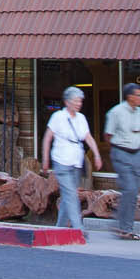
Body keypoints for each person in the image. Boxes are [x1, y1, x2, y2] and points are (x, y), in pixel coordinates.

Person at [41, 86, 101, 234]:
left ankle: (59, 229)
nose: (78, 104)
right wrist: (45, 159)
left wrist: (97, 154)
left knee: (69, 195)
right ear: (67, 102)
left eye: (80, 101)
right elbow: (47, 138)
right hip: (61, 159)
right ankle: (78, 228)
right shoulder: (58, 117)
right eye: (76, 101)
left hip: (76, 160)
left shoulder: (81, 118)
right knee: (71, 194)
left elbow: (88, 137)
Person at [104, 83, 140, 240]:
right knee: (128, 188)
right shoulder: (116, 112)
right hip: (121, 152)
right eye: (138, 95)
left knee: (134, 192)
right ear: (130, 96)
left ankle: (124, 226)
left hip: (136, 153)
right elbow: (108, 135)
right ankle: (124, 227)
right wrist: (115, 152)